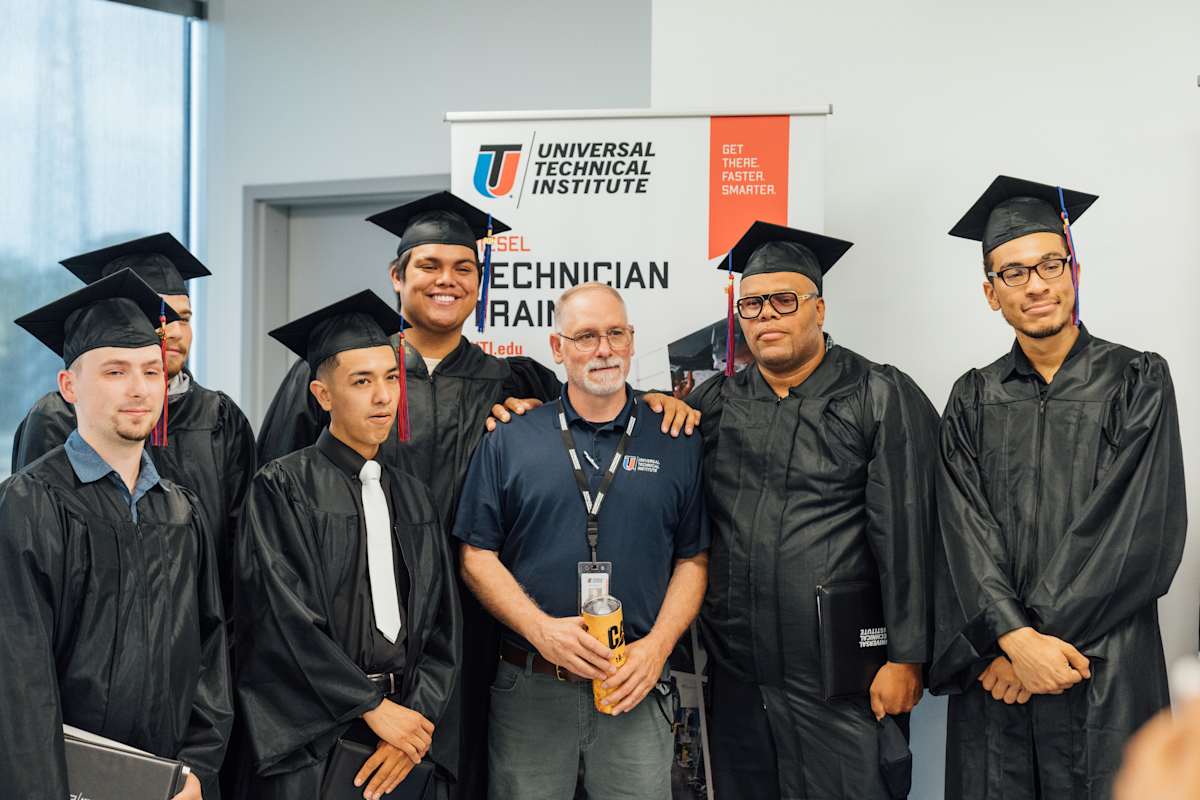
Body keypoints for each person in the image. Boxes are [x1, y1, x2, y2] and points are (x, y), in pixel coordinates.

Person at [253, 191, 698, 798]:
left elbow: (595, 402)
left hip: (480, 630)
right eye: (429, 265)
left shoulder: (513, 381)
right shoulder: (339, 372)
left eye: (465, 267)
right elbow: (278, 518)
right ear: (397, 276)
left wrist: (656, 402)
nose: (448, 280)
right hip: (346, 632)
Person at [931, 175, 1187, 800]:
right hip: (998, 679)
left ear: (1074, 270)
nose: (1037, 284)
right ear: (990, 294)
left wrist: (1027, 643)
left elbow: (1136, 532)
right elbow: (960, 536)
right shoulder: (972, 398)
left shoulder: (1138, 380)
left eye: (1050, 263)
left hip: (1104, 673)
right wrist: (1012, 645)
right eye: (1013, 273)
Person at [687, 222, 939, 799]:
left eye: (784, 300)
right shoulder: (715, 403)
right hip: (740, 676)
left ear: (818, 308)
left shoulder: (877, 394)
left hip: (843, 677)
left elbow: (910, 534)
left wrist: (907, 658)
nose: (767, 316)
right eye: (752, 304)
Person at [454, 283, 710, 800]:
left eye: (616, 333)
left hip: (633, 687)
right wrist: (541, 629)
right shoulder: (511, 437)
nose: (603, 349)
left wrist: (657, 650)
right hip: (531, 688)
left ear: (632, 340)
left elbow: (694, 558)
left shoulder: (676, 439)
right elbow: (475, 556)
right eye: (586, 336)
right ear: (557, 348)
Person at [0, 269, 232, 800]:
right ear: (68, 387)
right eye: (114, 370)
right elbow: (16, 680)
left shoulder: (181, 510)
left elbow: (211, 656)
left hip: (170, 785)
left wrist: (196, 771)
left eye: (150, 371)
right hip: (69, 784)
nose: (137, 388)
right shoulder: (30, 503)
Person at [235, 290, 460, 800]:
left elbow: (444, 627)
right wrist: (371, 709)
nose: (383, 396)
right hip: (317, 739)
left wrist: (413, 724)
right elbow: (282, 623)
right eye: (362, 381)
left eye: (390, 378)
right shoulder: (281, 488)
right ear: (323, 395)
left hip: (405, 739)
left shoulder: (413, 497)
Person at [10, 233, 257, 610]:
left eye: (184, 317)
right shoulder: (57, 418)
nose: (172, 330)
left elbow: (240, 546)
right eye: (161, 316)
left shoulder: (220, 417)